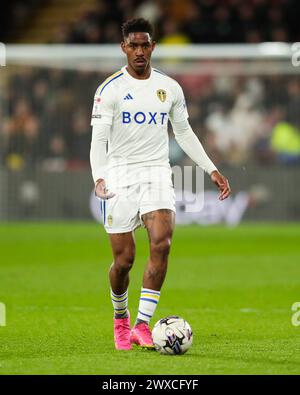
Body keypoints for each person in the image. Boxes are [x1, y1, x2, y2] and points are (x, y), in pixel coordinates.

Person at [90, 18, 231, 350]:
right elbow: (98, 140)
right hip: (120, 174)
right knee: (123, 261)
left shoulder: (170, 88)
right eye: (133, 45)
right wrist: (99, 176)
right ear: (124, 48)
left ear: (153, 47)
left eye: (145, 45)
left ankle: (142, 324)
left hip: (156, 172)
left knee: (162, 243)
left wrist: (211, 169)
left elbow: (183, 132)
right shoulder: (109, 89)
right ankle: (121, 319)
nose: (139, 51)